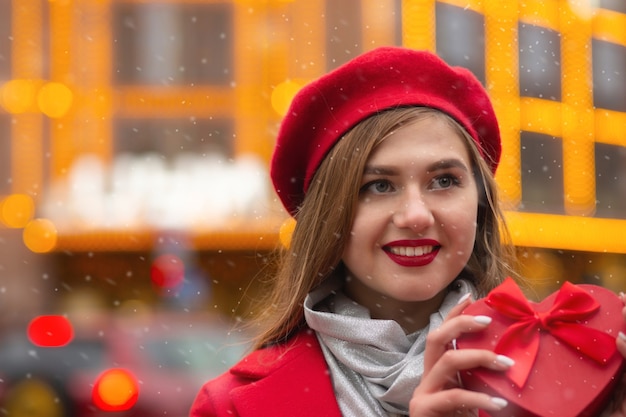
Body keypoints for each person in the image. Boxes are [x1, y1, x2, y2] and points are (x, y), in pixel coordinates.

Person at [190, 46, 626, 417]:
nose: (416, 215)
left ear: (479, 203)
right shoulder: (232, 406)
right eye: (378, 186)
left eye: (443, 181)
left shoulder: (567, 371)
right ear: (329, 216)